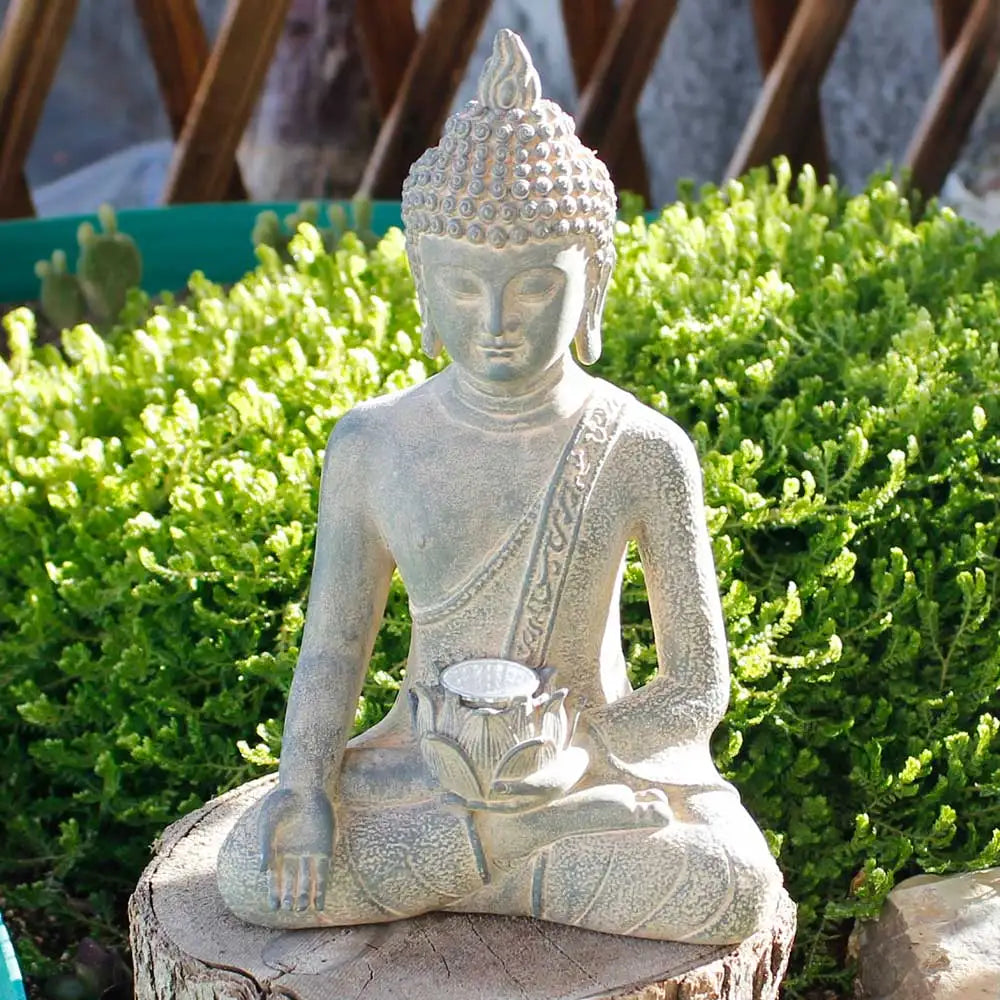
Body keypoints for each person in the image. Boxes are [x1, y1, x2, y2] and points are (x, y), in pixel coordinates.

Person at [217, 29, 782, 944]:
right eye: (463, 287)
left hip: (586, 771)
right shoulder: (372, 442)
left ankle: (480, 851)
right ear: (422, 288)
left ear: (593, 279)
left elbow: (695, 685)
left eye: (531, 289)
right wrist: (303, 788)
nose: (494, 323)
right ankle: (505, 846)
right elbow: (331, 651)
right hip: (421, 765)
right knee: (252, 868)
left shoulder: (640, 446)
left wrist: (573, 754)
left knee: (731, 888)